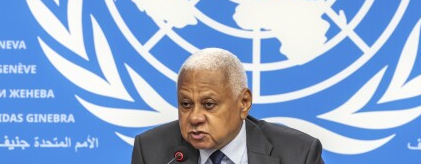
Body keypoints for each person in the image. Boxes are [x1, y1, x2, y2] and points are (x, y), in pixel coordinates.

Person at [131, 48, 325, 163]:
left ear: (244, 103)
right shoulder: (151, 151)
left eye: (209, 104)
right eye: (186, 104)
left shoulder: (299, 154)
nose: (194, 117)